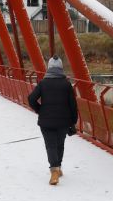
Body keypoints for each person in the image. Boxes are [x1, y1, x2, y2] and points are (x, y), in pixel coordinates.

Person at [28, 56, 78, 185]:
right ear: (61, 68)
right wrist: (73, 121)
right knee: (60, 144)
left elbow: (31, 99)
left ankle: (54, 170)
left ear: (49, 67)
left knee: (50, 145)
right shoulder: (66, 84)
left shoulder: (43, 83)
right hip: (63, 121)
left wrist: (40, 110)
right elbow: (73, 105)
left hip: (46, 121)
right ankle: (58, 168)